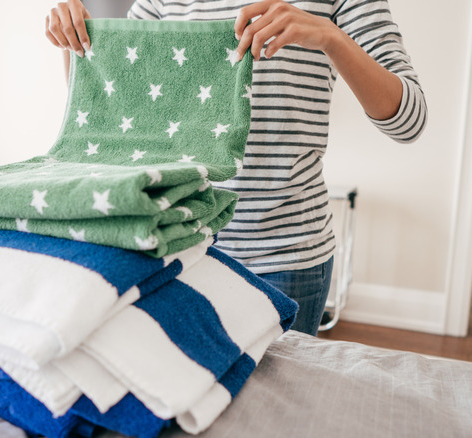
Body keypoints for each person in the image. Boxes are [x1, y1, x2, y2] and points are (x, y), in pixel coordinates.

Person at [44, 0, 427, 336]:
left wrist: (331, 37)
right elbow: (115, 115)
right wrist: (74, 42)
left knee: (273, 411)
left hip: (283, 259)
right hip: (182, 247)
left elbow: (409, 120)